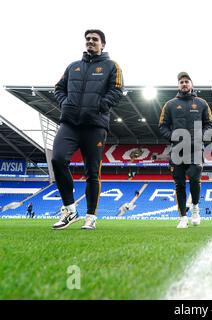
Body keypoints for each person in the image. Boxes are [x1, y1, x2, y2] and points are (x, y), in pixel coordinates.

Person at [51, 29, 123, 230]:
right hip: (70, 123)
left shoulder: (112, 66)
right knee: (57, 158)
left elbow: (117, 90)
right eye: (88, 39)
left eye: (95, 39)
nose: (90, 42)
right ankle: (70, 211)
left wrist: (100, 105)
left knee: (92, 172)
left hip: (95, 125)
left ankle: (91, 216)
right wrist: (66, 104)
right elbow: (58, 88)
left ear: (103, 44)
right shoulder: (73, 67)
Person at [159, 72, 212, 228]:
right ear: (178, 85)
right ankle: (183, 217)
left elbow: (209, 124)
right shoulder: (169, 104)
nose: (184, 84)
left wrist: (201, 137)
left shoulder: (202, 103)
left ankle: (195, 208)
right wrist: (174, 137)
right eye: (181, 82)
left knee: (195, 179)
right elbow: (162, 126)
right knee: (180, 184)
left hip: (196, 149)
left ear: (191, 84)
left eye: (186, 81)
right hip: (177, 150)